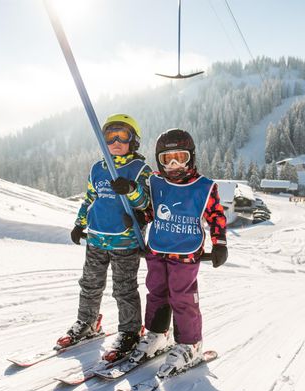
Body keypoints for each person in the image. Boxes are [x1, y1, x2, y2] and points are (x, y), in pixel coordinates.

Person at [117, 128, 228, 376]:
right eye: (168, 159)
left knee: (182, 297)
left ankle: (191, 344)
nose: (175, 164)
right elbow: (150, 211)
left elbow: (216, 216)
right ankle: (157, 334)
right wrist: (137, 218)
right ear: (159, 160)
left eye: (181, 157)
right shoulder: (156, 182)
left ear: (191, 157)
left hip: (186, 254)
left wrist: (219, 243)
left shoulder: (204, 187)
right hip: (157, 249)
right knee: (156, 292)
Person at [57, 114, 152, 362]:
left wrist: (131, 190)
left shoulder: (140, 169)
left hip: (126, 242)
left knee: (124, 290)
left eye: (123, 136)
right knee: (89, 285)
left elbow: (146, 205)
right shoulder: (97, 168)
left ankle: (130, 331)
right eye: (111, 136)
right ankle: (88, 322)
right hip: (97, 239)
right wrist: (80, 224)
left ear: (134, 140)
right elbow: (90, 199)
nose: (117, 141)